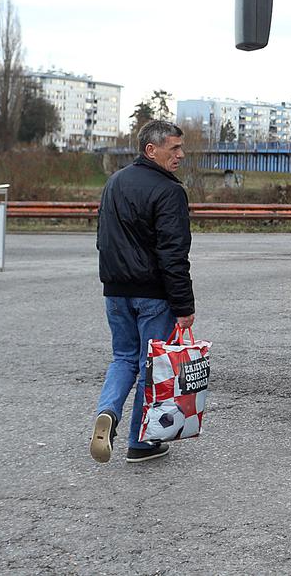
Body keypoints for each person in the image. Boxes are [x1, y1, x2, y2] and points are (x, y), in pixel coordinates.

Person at [89, 121, 196, 463]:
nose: (181, 154)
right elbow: (173, 254)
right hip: (153, 295)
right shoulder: (169, 191)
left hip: (115, 291)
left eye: (181, 147)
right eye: (174, 148)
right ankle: (141, 442)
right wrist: (184, 305)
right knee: (150, 366)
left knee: (123, 358)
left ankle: (108, 411)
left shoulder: (114, 182)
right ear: (152, 150)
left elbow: (101, 237)